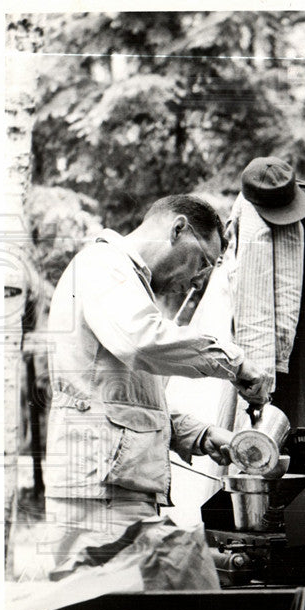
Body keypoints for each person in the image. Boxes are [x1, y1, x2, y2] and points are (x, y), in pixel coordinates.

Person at [42, 194, 269, 579]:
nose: (198, 280)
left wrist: (203, 435)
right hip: (101, 499)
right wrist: (234, 362)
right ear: (178, 229)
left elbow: (130, 403)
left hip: (117, 491)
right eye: (202, 263)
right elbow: (141, 341)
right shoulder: (102, 265)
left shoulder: (128, 287)